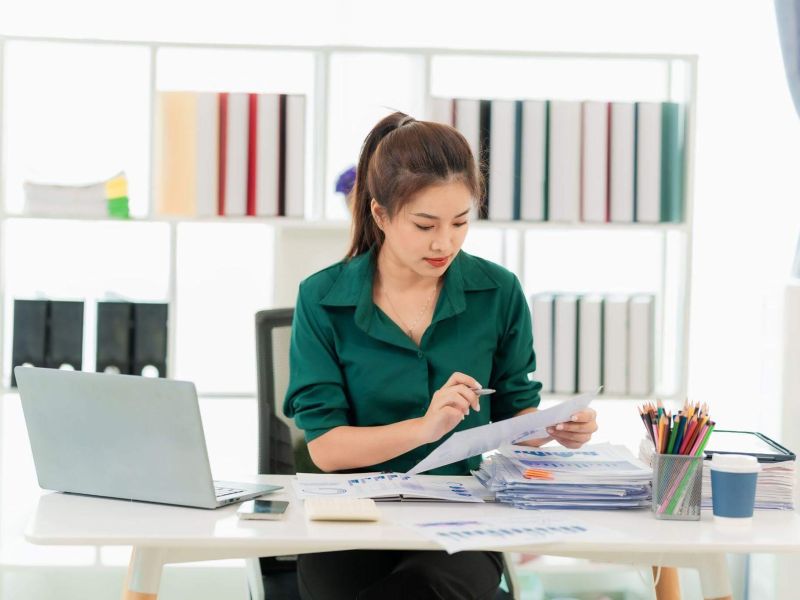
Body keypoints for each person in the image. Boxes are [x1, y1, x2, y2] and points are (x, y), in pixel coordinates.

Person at [283, 111, 598, 600]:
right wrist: (425, 429)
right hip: (349, 519)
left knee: (429, 586)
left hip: (462, 519)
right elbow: (326, 449)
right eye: (425, 224)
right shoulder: (322, 297)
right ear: (381, 215)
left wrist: (556, 430)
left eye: (460, 223)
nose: (444, 243)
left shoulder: (498, 292)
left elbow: (518, 413)